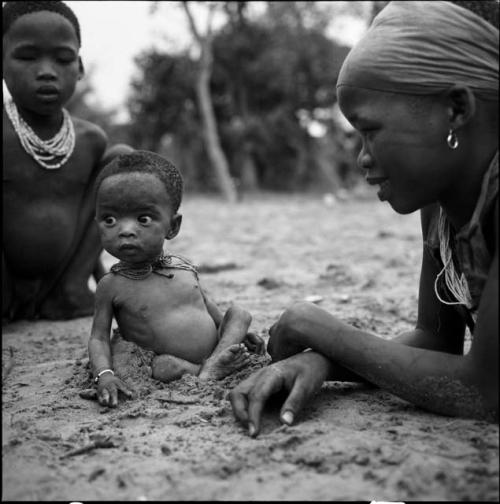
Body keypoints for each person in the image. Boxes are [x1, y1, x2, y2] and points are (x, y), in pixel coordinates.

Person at [229, 0, 498, 437]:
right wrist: (322, 360)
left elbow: (485, 390)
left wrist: (316, 325)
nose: (362, 158)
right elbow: (435, 339)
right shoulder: (442, 206)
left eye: (370, 131)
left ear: (456, 110)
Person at [88, 151, 265, 407]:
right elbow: (99, 338)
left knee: (239, 314)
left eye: (143, 219)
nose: (125, 230)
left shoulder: (183, 267)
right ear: (97, 225)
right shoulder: (112, 285)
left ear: (173, 226)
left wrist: (233, 336)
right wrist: (104, 375)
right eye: (110, 220)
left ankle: (217, 360)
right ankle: (206, 372)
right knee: (162, 366)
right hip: (178, 365)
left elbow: (207, 307)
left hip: (216, 347)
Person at [2, 0, 133, 321]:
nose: (47, 71)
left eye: (63, 59)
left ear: (80, 67)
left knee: (123, 160)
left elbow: (94, 215)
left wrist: (95, 277)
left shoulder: (90, 141)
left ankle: (69, 292)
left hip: (57, 280)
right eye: (27, 57)